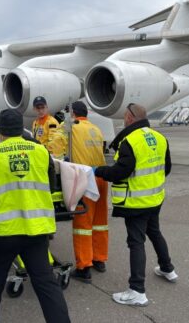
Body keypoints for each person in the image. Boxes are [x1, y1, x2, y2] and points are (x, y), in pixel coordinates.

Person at [0, 109, 70, 323]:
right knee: (46, 283)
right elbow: (51, 186)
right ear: (22, 129)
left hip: (2, 233)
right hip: (36, 230)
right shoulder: (41, 152)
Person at [94, 103, 177, 306]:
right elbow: (166, 168)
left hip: (136, 202)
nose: (123, 119)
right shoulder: (159, 137)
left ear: (130, 118)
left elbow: (119, 173)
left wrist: (98, 170)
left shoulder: (130, 141)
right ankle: (167, 268)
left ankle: (137, 290)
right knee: (155, 232)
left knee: (136, 242)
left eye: (124, 116)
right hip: (155, 198)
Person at [47, 101, 109, 283]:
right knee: (100, 222)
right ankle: (99, 258)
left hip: (85, 178)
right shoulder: (95, 129)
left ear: (72, 114)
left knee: (83, 224)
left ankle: (84, 266)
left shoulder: (71, 127)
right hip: (101, 177)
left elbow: (53, 148)